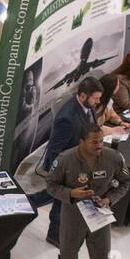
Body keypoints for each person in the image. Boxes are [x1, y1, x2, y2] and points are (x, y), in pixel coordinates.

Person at [46, 126, 130, 259]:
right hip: (73, 214)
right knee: (68, 254)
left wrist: (110, 199)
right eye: (94, 142)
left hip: (100, 215)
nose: (99, 145)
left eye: (101, 141)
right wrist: (71, 192)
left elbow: (126, 181)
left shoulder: (113, 158)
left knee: (101, 254)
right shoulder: (65, 159)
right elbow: (51, 185)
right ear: (82, 141)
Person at [38, 76, 104, 245]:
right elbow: (54, 149)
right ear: (83, 95)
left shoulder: (88, 107)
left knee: (61, 199)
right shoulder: (67, 118)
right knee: (62, 202)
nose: (97, 102)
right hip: (66, 167)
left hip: (80, 160)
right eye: (95, 98)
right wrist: (59, 175)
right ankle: (54, 235)